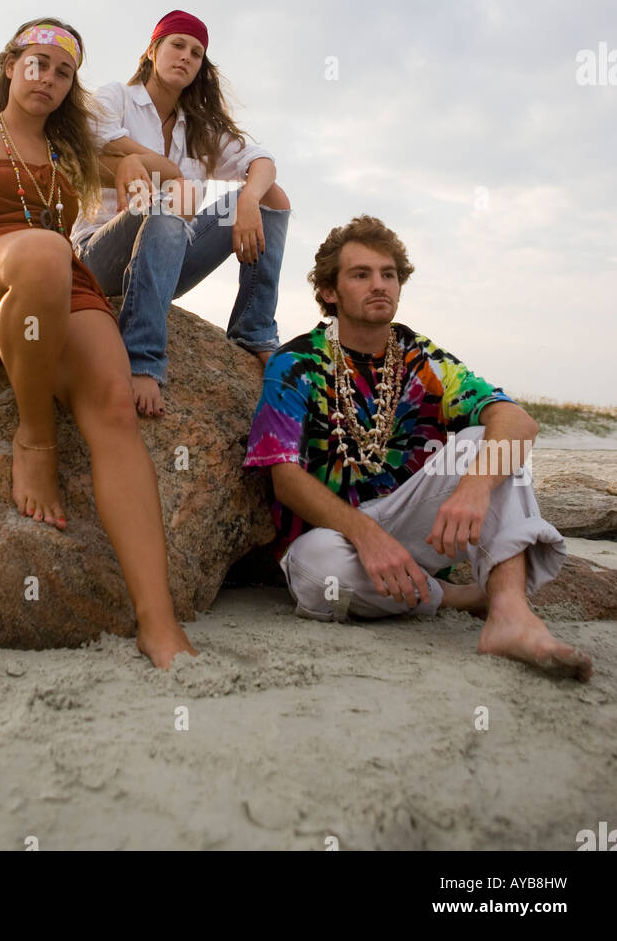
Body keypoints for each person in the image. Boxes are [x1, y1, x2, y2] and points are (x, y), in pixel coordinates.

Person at [0, 19, 196, 670]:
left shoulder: (74, 151)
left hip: (61, 287)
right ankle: (34, 436)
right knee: (41, 248)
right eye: (38, 63)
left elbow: (157, 176)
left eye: (63, 72)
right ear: (10, 65)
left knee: (114, 408)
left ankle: (159, 624)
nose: (49, 79)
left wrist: (139, 164)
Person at [243, 215, 592, 681]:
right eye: (361, 274)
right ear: (330, 291)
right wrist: (367, 537)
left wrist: (473, 490)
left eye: (388, 274)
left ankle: (509, 615)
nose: (379, 284)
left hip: (414, 525)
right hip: (334, 536)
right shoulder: (297, 362)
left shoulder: (419, 356)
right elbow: (284, 478)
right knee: (318, 572)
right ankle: (463, 598)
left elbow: (516, 421)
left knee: (488, 442)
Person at [72, 10, 291, 417]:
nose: (186, 57)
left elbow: (261, 160)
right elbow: (93, 144)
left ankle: (254, 329)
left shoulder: (197, 128)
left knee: (271, 197)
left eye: (196, 53)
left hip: (167, 261)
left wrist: (246, 201)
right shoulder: (117, 97)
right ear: (152, 50)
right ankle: (141, 359)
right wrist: (169, 172)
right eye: (177, 45)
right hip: (98, 256)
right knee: (181, 192)